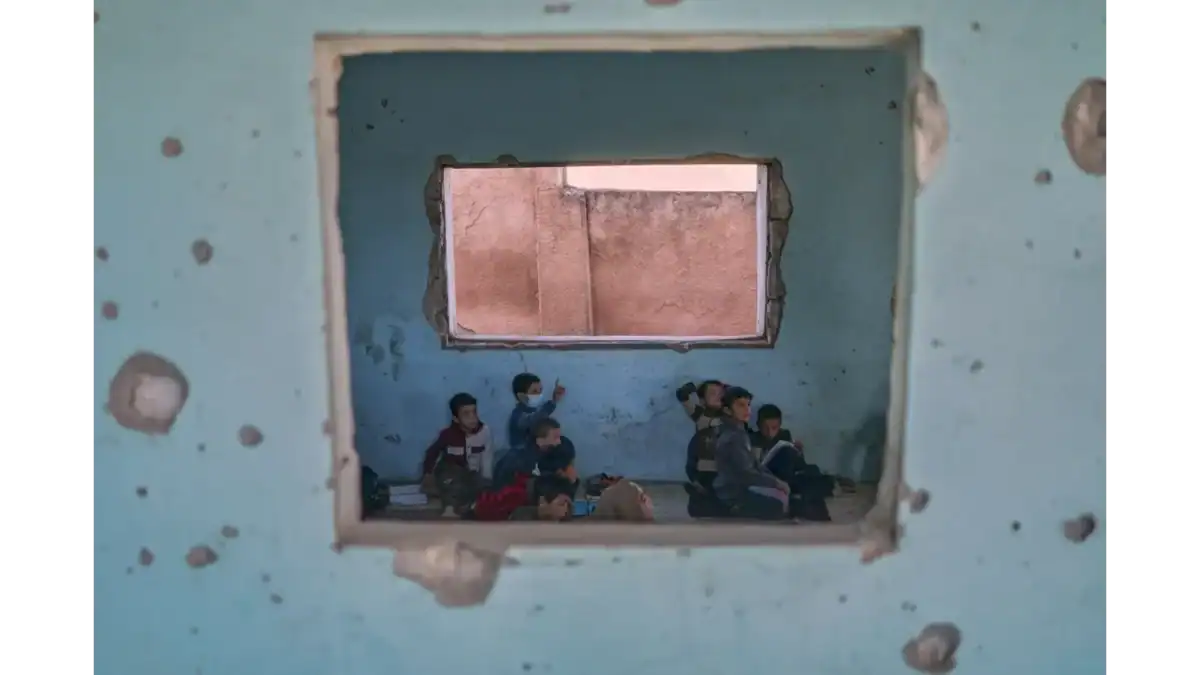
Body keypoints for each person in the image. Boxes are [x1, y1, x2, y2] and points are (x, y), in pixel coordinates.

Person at [711, 386, 790, 520]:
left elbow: (755, 465)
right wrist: (776, 483)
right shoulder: (732, 436)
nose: (747, 410)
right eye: (740, 405)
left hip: (739, 488)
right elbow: (746, 473)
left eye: (748, 405)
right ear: (727, 410)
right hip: (734, 493)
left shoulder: (739, 432)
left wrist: (775, 481)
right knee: (780, 506)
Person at [751, 404, 833, 522]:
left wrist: (798, 451)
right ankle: (823, 489)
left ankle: (816, 496)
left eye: (774, 428)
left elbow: (798, 463)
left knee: (812, 470)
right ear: (758, 425)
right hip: (771, 475)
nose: (770, 433)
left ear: (780, 425)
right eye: (765, 428)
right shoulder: (753, 439)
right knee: (812, 483)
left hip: (787, 474)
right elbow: (755, 467)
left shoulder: (784, 435)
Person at [420, 393, 494, 494]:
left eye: (474, 412)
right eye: (466, 414)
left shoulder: (484, 432)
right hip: (452, 475)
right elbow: (432, 454)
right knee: (451, 481)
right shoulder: (448, 435)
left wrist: (487, 481)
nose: (472, 418)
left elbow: (487, 458)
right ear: (456, 418)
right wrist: (428, 474)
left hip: (472, 476)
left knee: (482, 487)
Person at [492, 417, 577, 491]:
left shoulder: (551, 452)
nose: (559, 442)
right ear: (540, 439)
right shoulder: (521, 460)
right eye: (555, 437)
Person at [507, 372, 566, 450]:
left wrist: (554, 400)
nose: (539, 395)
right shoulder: (518, 416)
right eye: (534, 392)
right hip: (522, 454)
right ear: (521, 396)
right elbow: (535, 418)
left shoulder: (532, 409)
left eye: (540, 391)